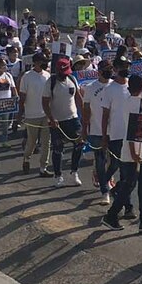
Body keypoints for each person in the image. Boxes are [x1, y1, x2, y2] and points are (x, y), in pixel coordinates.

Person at [101, 74, 142, 234]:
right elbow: (133, 129)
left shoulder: (137, 102)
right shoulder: (133, 104)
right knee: (129, 186)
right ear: (141, 86)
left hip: (141, 151)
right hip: (132, 153)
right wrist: (134, 153)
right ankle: (111, 215)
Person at [44, 57, 84, 187]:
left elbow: (78, 98)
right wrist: (51, 118)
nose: (65, 75)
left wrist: (85, 115)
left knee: (79, 144)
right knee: (58, 149)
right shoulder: (51, 82)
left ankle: (74, 172)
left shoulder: (72, 79)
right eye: (63, 73)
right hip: (57, 121)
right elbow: (45, 103)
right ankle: (58, 175)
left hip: (73, 118)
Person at [82, 62, 115, 206]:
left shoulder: (116, 85)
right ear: (99, 72)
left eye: (110, 70)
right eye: (106, 70)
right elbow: (86, 110)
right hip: (96, 131)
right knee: (101, 161)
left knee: (114, 161)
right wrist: (84, 129)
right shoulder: (90, 88)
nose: (109, 72)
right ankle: (104, 191)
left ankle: (107, 177)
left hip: (114, 131)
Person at [19, 53, 52, 177]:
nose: (45, 63)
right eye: (43, 61)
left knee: (46, 142)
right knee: (32, 141)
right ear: (36, 62)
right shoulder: (27, 77)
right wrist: (20, 114)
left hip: (45, 114)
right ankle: (26, 159)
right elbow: (22, 97)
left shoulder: (47, 76)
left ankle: (43, 167)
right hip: (31, 114)